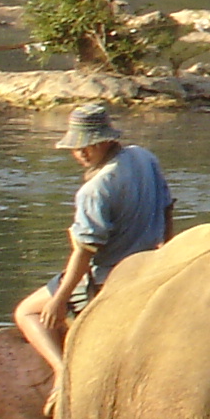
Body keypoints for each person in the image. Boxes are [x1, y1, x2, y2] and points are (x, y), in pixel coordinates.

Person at [11, 102, 174, 376]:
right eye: (76, 147)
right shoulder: (144, 157)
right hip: (148, 262)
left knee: (26, 312)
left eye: (89, 145)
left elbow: (85, 251)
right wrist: (165, 252)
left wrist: (59, 299)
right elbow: (168, 207)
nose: (82, 153)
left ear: (107, 140)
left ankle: (63, 374)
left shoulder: (94, 189)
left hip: (106, 276)